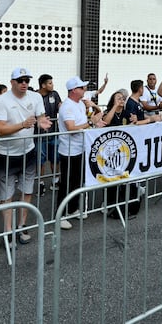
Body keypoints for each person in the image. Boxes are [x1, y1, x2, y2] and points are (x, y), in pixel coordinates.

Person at [0, 68, 52, 243]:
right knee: (6, 195)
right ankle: (8, 231)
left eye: (26, 80)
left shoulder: (36, 97)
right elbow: (1, 129)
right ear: (12, 82)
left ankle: (22, 226)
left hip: (29, 151)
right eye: (20, 80)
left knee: (27, 191)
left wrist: (42, 123)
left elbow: (40, 116)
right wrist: (23, 124)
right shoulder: (1, 101)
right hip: (6, 154)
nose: (24, 83)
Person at [57, 76, 105, 230]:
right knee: (66, 183)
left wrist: (93, 115)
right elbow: (71, 128)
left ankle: (72, 209)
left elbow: (89, 120)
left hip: (80, 148)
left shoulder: (79, 104)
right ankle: (61, 215)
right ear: (73, 90)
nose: (84, 90)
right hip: (69, 151)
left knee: (77, 181)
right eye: (81, 88)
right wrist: (91, 122)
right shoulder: (67, 106)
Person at [36, 74, 61, 195]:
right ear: (43, 85)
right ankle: (40, 183)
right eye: (50, 83)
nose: (52, 85)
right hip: (39, 135)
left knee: (55, 159)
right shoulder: (35, 96)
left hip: (54, 132)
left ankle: (55, 181)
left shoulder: (55, 94)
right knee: (40, 160)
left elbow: (60, 106)